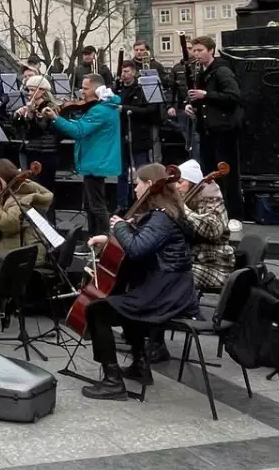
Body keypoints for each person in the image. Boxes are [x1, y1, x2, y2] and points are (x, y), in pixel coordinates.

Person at [80, 163, 199, 399]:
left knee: (97, 310)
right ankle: (140, 365)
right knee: (125, 300)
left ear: (149, 185)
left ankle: (112, 381)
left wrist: (120, 226)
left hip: (165, 294)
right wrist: (111, 238)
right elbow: (144, 240)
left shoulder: (161, 218)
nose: (135, 188)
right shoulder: (166, 214)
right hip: (172, 289)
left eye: (138, 183)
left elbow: (137, 248)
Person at [43, 75, 121, 236]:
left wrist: (56, 118)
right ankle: (93, 238)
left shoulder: (101, 110)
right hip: (94, 160)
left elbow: (78, 131)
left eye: (85, 88)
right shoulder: (102, 107)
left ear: (97, 90)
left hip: (96, 161)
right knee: (90, 205)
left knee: (96, 205)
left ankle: (102, 238)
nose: (81, 92)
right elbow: (81, 125)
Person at [186, 36, 243, 217]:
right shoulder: (201, 72)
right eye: (194, 50)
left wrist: (205, 95)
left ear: (210, 50)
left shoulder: (222, 71)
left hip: (224, 130)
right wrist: (191, 106)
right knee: (209, 173)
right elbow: (203, 101)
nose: (196, 54)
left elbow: (233, 96)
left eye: (200, 50)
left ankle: (233, 214)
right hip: (207, 129)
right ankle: (214, 211)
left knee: (226, 173)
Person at [177, 159, 235, 290]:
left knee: (174, 276)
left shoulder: (212, 200)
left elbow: (213, 230)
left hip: (215, 266)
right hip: (193, 261)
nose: (176, 186)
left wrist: (183, 210)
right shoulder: (186, 200)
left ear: (192, 183)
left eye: (180, 182)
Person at [0, 158, 55, 257]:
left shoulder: (19, 198)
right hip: (24, 248)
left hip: (24, 254)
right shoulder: (15, 190)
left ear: (2, 179)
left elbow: (9, 223)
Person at [115, 60, 162, 208]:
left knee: (143, 171)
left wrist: (124, 108)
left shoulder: (142, 89)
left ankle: (145, 203)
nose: (123, 75)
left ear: (134, 72)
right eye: (122, 72)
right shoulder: (117, 89)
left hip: (139, 134)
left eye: (127, 71)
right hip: (121, 133)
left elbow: (149, 111)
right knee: (121, 172)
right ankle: (122, 204)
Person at [14, 75, 60, 203]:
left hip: (46, 153)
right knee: (32, 187)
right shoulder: (32, 107)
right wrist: (18, 116)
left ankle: (48, 215)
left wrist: (30, 115)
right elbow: (21, 129)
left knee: (44, 189)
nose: (29, 93)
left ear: (42, 91)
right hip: (32, 151)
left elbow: (40, 129)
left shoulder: (50, 107)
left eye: (32, 90)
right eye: (28, 90)